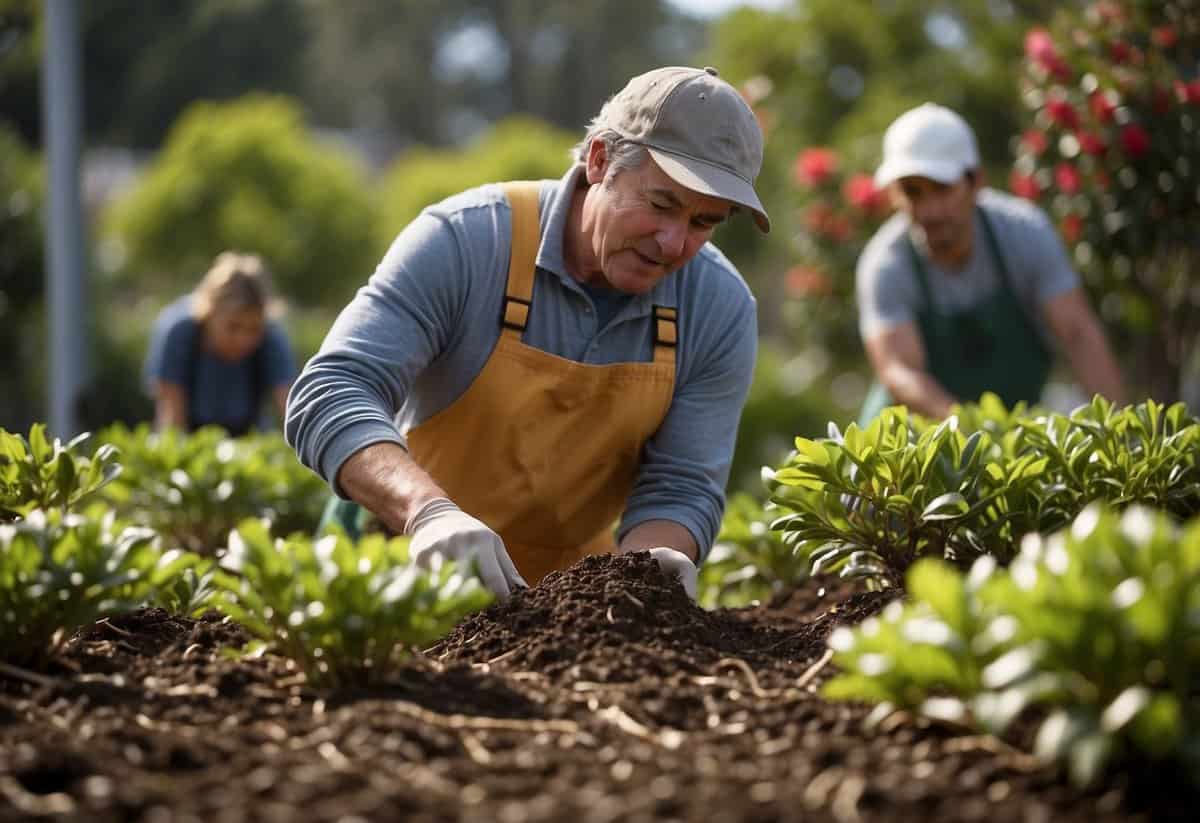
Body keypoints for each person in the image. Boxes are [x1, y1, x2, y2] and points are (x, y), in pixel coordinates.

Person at [286, 66, 769, 601]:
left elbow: (681, 482)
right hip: (390, 578)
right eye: (661, 205)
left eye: (704, 222)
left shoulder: (717, 307)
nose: (674, 242)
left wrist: (650, 572)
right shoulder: (468, 241)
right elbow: (331, 391)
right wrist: (429, 514)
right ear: (599, 160)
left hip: (564, 614)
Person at [855, 103, 1125, 425]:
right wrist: (970, 429)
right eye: (912, 192)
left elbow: (1078, 333)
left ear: (976, 182)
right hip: (912, 441)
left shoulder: (1025, 234)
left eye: (942, 189)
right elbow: (900, 371)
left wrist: (1119, 432)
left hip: (1012, 431)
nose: (929, 210)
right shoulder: (885, 264)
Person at [144, 251, 297, 436]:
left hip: (249, 443)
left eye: (254, 329)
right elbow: (172, 420)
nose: (244, 339)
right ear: (210, 311)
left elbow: (290, 409)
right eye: (233, 327)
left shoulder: (271, 336)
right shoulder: (179, 332)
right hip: (189, 439)